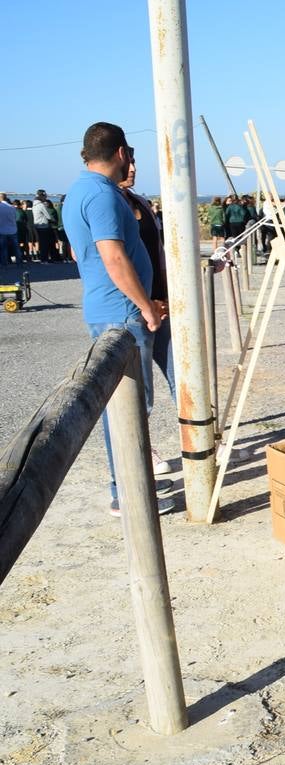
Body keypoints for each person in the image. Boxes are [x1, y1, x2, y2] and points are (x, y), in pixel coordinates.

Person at [62, 122, 173, 516]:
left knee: (127, 405)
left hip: (107, 308)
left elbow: (79, 254)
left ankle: (128, 484)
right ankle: (126, 491)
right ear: (122, 153)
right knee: (129, 407)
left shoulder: (78, 192)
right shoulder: (103, 195)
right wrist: (145, 306)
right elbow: (113, 256)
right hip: (122, 313)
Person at [120, 147, 177, 477]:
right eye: (128, 161)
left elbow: (159, 251)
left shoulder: (141, 202)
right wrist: (145, 303)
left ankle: (198, 434)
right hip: (138, 309)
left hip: (163, 304)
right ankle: (144, 449)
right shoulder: (110, 203)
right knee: (140, 390)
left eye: (136, 161)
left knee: (182, 374)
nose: (134, 168)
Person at [33, 190, 56, 262]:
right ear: (41, 196)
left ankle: (43, 258)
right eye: (45, 196)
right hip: (44, 226)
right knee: (45, 243)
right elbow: (48, 216)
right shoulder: (41, 205)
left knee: (42, 243)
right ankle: (44, 259)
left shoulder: (34, 204)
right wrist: (53, 220)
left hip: (38, 225)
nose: (45, 198)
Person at [0, 194, 18, 266]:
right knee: (16, 248)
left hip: (2, 230)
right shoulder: (12, 207)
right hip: (13, 229)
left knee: (4, 248)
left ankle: (4, 263)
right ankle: (19, 262)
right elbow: (15, 217)